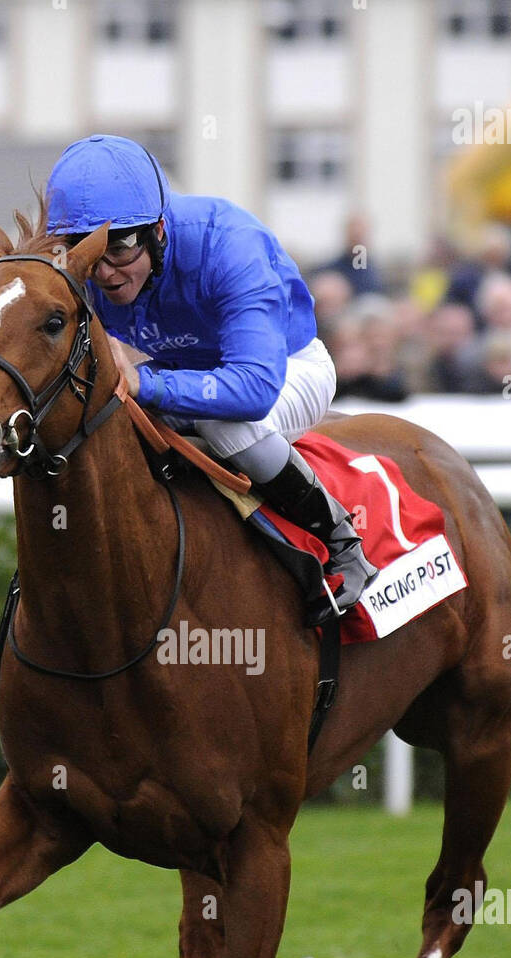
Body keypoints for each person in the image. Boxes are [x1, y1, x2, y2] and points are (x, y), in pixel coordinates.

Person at [45, 133, 377, 612]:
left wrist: (145, 382)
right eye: (86, 251)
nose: (105, 273)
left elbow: (253, 391)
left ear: (159, 230)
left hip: (284, 371)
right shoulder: (88, 266)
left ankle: (344, 545)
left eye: (121, 247)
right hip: (183, 370)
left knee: (226, 424)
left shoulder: (230, 245)